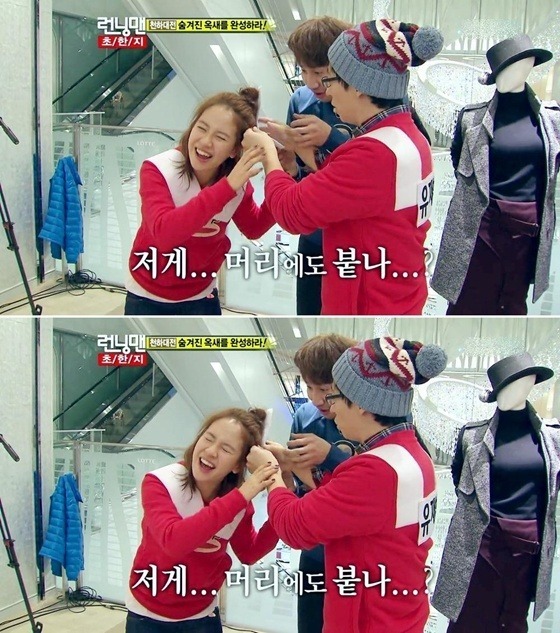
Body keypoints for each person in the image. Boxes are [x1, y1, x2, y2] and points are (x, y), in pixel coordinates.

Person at [243, 19, 444, 315]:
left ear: (360, 86)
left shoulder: (373, 154)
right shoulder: (409, 137)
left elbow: (291, 212)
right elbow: (351, 184)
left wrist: (267, 154)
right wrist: (297, 160)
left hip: (365, 300)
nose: (325, 90)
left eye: (331, 79)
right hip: (397, 289)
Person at [248, 337, 447, 632]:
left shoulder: (375, 471)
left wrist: (271, 472)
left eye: (335, 396)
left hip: (367, 619)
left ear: (363, 404)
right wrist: (292, 470)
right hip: (398, 609)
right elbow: (352, 500)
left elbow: (293, 527)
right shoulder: (413, 455)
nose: (328, 406)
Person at [431, 34, 560, 315]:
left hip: (527, 230)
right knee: (467, 301)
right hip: (479, 227)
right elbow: (460, 164)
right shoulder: (472, 119)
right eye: (500, 70)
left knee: (512, 303)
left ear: (529, 66)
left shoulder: (552, 120)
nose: (506, 76)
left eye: (514, 67)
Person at [432, 353, 560, 632]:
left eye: (517, 384)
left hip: (527, 547)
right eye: (503, 387)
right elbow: (460, 480)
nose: (509, 393)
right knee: (468, 618)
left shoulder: (552, 438)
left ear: (530, 384)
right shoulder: (472, 436)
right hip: (480, 545)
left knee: (512, 620)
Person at [125, 407, 280, 632]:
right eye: (208, 438)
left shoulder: (237, 503)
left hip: (203, 614)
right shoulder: (160, 482)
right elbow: (172, 542)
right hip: (147, 614)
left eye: (226, 449)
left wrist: (281, 502)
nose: (211, 451)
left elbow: (249, 552)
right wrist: (242, 495)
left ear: (238, 465)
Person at [125, 87, 275, 316]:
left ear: (235, 150)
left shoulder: (237, 182)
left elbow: (254, 227)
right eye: (201, 128)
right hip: (146, 294)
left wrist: (285, 175)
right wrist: (226, 188)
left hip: (202, 294)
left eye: (220, 137)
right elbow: (164, 234)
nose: (205, 142)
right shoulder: (158, 169)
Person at [259, 16, 354, 316]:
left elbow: (369, 169)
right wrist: (290, 168)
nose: (312, 82)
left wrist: (330, 138)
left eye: (320, 72)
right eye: (303, 70)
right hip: (313, 235)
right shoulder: (300, 101)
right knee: (309, 310)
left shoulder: (364, 104)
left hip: (354, 239)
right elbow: (303, 174)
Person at [269, 334, 357, 633]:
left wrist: (330, 455)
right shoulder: (304, 417)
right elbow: (299, 487)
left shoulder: (371, 419)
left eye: (325, 389)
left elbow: (374, 486)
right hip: (315, 547)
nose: (316, 398)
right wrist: (283, 470)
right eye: (308, 387)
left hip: (358, 553)